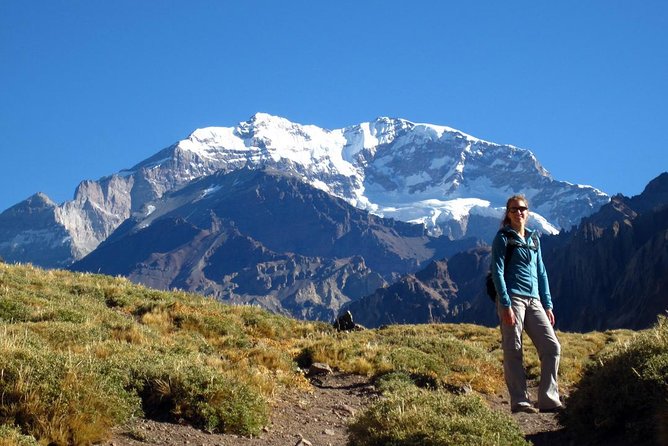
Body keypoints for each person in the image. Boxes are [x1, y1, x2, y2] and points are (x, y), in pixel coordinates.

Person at [490, 194, 563, 414]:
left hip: (535, 300)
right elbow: (497, 271)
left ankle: (549, 399)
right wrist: (505, 303)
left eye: (522, 209)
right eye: (514, 210)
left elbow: (541, 272)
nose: (519, 213)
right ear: (508, 213)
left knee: (552, 346)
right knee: (514, 348)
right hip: (512, 298)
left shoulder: (534, 239)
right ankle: (520, 401)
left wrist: (547, 304)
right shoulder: (503, 238)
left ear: (527, 212)